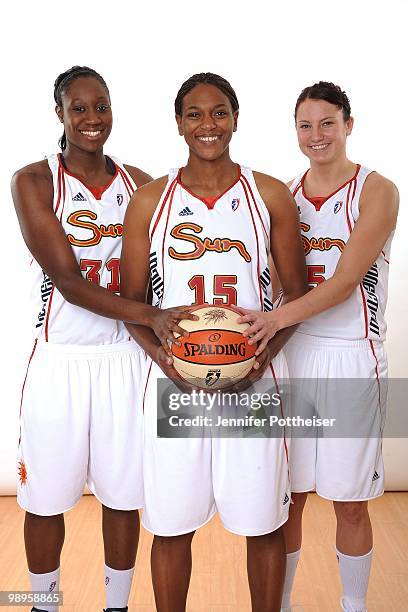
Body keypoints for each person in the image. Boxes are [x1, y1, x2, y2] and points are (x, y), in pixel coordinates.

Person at [120, 72, 308, 612]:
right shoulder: (151, 199)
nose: (209, 125)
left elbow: (296, 295)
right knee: (171, 525)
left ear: (235, 118)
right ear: (179, 123)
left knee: (263, 521)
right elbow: (136, 305)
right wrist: (166, 360)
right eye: (196, 114)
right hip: (175, 384)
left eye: (219, 112)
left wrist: (261, 356)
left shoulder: (267, 193)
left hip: (252, 382)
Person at [11, 65, 195, 612]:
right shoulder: (34, 180)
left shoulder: (139, 181)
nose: (93, 119)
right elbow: (68, 283)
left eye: (102, 107)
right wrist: (153, 316)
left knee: (123, 497)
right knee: (44, 501)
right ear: (60, 114)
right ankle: (43, 605)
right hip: (60, 359)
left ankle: (118, 606)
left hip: (125, 358)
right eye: (80, 108)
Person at [237, 81, 399, 612]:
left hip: (353, 355)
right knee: (291, 500)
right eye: (305, 125)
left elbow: (346, 281)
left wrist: (272, 319)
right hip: (293, 356)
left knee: (350, 503)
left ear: (348, 126)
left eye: (327, 123)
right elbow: (270, 278)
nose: (316, 135)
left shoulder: (378, 190)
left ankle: (354, 606)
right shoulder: (283, 193)